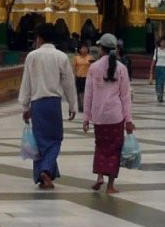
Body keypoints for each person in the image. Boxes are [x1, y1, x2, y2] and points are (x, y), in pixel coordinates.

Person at [20, 23, 76, 190]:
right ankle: (46, 170)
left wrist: (25, 106)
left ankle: (43, 175)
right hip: (53, 103)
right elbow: (68, 83)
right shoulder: (61, 57)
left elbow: (27, 82)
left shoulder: (32, 56)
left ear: (39, 38)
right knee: (55, 139)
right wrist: (72, 105)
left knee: (40, 140)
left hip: (37, 103)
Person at [83, 34, 134, 194]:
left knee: (100, 146)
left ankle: (99, 176)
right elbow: (125, 96)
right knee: (114, 149)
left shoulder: (94, 68)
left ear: (101, 49)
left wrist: (86, 117)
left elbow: (88, 94)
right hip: (115, 115)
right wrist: (128, 119)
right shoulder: (122, 69)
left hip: (99, 115)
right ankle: (110, 186)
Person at [71, 40, 91, 108]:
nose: (84, 50)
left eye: (86, 48)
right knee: (79, 92)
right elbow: (74, 67)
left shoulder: (90, 57)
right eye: (83, 48)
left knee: (86, 92)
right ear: (79, 49)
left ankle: (86, 105)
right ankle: (80, 106)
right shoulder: (76, 58)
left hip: (87, 77)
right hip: (79, 77)